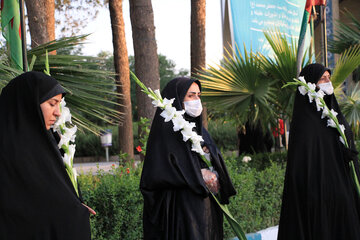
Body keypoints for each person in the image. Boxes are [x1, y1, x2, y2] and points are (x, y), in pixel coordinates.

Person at [140, 77, 237, 239]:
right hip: (180, 213)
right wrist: (199, 175)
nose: (196, 100)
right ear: (177, 98)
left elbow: (214, 159)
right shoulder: (165, 132)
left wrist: (211, 164)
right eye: (191, 96)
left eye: (198, 95)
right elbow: (159, 173)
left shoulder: (199, 128)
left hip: (205, 212)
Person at [0, 71, 93, 239]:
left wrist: (77, 207)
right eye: (52, 103)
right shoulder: (8, 150)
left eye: (59, 104)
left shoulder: (52, 141)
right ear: (29, 103)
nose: (58, 112)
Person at [278, 63, 360, 240]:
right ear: (311, 84)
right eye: (322, 79)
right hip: (318, 197)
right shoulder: (304, 123)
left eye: (328, 78)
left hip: (342, 191)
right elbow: (301, 165)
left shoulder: (334, 114)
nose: (327, 82)